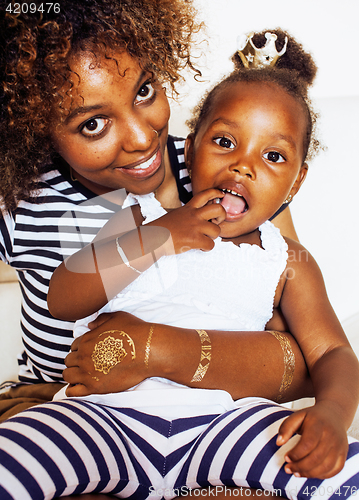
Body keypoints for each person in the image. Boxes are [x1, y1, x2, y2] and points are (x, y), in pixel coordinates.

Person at [1, 28, 357, 500]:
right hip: (100, 415)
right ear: (190, 150)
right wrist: (160, 235)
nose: (243, 167)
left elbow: (329, 353)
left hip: (225, 423)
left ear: (295, 183)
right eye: (225, 143)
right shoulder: (141, 217)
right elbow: (64, 298)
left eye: (272, 157)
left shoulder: (288, 261)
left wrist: (333, 412)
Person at [0, 0, 305, 426]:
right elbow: (64, 297)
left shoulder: (226, 170)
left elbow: (302, 361)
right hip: (72, 413)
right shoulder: (20, 203)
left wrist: (154, 350)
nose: (144, 139)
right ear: (34, 125)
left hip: (206, 414)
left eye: (144, 91)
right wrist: (58, 398)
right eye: (93, 125)